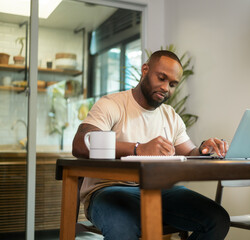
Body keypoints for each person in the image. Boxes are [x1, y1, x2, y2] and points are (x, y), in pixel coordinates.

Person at [72, 50, 230, 240]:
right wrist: (138, 149)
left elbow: (189, 152)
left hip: (159, 190)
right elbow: (80, 144)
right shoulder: (111, 104)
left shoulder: (171, 115)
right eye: (161, 78)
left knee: (217, 219)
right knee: (123, 227)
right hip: (108, 190)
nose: (166, 88)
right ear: (145, 70)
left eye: (172, 84)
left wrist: (205, 148)